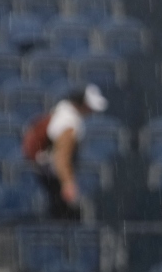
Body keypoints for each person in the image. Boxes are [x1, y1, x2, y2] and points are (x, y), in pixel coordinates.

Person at [31, 84, 107, 220]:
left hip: (49, 174)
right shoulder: (69, 123)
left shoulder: (63, 113)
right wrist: (68, 184)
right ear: (82, 104)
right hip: (53, 178)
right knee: (65, 218)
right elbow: (61, 157)